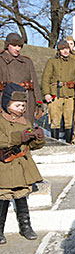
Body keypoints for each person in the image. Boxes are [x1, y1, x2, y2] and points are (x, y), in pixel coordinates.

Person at [0, 83, 45, 244]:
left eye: (23, 106)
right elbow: (2, 140)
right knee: (3, 197)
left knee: (21, 197)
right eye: (17, 105)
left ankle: (25, 227)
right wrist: (19, 137)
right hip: (4, 166)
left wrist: (38, 139)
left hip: (22, 166)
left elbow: (31, 146)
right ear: (7, 104)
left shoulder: (25, 121)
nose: (21, 108)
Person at [42, 40, 75, 143]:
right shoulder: (52, 62)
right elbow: (46, 79)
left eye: (67, 48)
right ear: (59, 50)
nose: (65, 51)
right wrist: (47, 93)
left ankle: (69, 143)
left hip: (70, 95)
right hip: (56, 94)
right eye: (62, 49)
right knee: (55, 121)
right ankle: (55, 144)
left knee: (69, 121)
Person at [0, 33, 43, 125]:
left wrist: (39, 104)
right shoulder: (1, 61)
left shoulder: (27, 62)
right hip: (6, 102)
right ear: (7, 45)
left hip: (26, 102)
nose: (17, 49)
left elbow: (35, 84)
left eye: (20, 46)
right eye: (14, 45)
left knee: (26, 130)